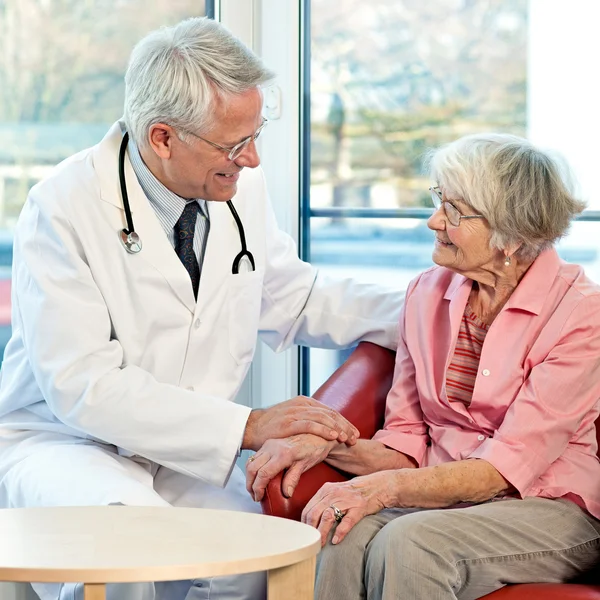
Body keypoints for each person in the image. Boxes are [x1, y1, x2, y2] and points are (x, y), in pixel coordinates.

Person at [0, 17, 403, 600]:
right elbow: (83, 386)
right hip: (66, 442)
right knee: (132, 556)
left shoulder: (234, 186)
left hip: (183, 450)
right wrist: (251, 425)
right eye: (236, 144)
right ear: (162, 137)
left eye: (256, 134)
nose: (254, 159)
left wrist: (431, 308)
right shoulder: (63, 207)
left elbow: (292, 295)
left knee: (254, 563)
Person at [246, 133, 600, 599]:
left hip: (550, 505)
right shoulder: (426, 294)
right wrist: (320, 441)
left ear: (511, 234)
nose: (434, 221)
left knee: (413, 543)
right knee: (340, 531)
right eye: (438, 200)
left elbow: (506, 469)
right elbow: (405, 443)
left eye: (454, 211)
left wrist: (384, 490)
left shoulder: (581, 314)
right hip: (446, 498)